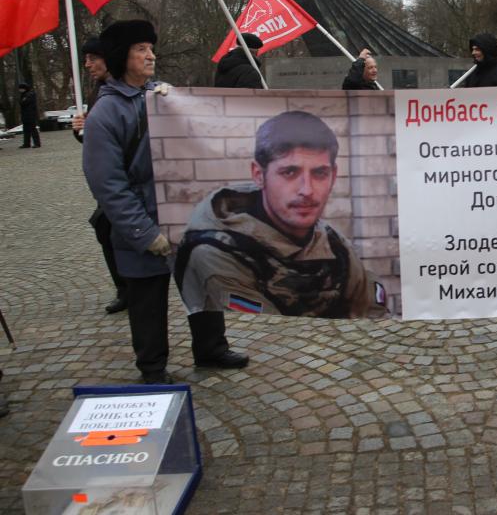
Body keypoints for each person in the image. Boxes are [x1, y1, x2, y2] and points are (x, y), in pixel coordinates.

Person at [83, 20, 248, 385]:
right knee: (147, 302)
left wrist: (182, 110)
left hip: (186, 219)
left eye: (150, 48)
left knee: (203, 285)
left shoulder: (163, 95)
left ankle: (211, 348)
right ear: (121, 56)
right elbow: (108, 184)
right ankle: (153, 369)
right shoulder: (106, 114)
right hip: (144, 226)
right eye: (141, 48)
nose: (151, 55)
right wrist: (144, 232)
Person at [174, 111, 388, 319]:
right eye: (289, 172)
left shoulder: (334, 244)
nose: (307, 190)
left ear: (333, 176)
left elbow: (373, 316)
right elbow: (268, 341)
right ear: (259, 175)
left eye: (319, 173)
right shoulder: (216, 253)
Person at [73, 37, 128, 314]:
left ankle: (129, 288)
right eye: (85, 59)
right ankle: (125, 287)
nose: (87, 64)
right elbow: (96, 141)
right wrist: (81, 129)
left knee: (110, 228)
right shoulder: (99, 91)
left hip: (123, 179)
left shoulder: (120, 90)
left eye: (93, 58)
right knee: (106, 230)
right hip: (107, 179)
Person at [18, 82, 40, 149]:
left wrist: (22, 101)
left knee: (32, 129)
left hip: (30, 114)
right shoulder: (25, 94)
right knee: (26, 130)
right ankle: (26, 143)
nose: (19, 90)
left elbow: (23, 103)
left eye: (20, 89)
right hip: (26, 114)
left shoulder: (29, 95)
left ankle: (36, 143)